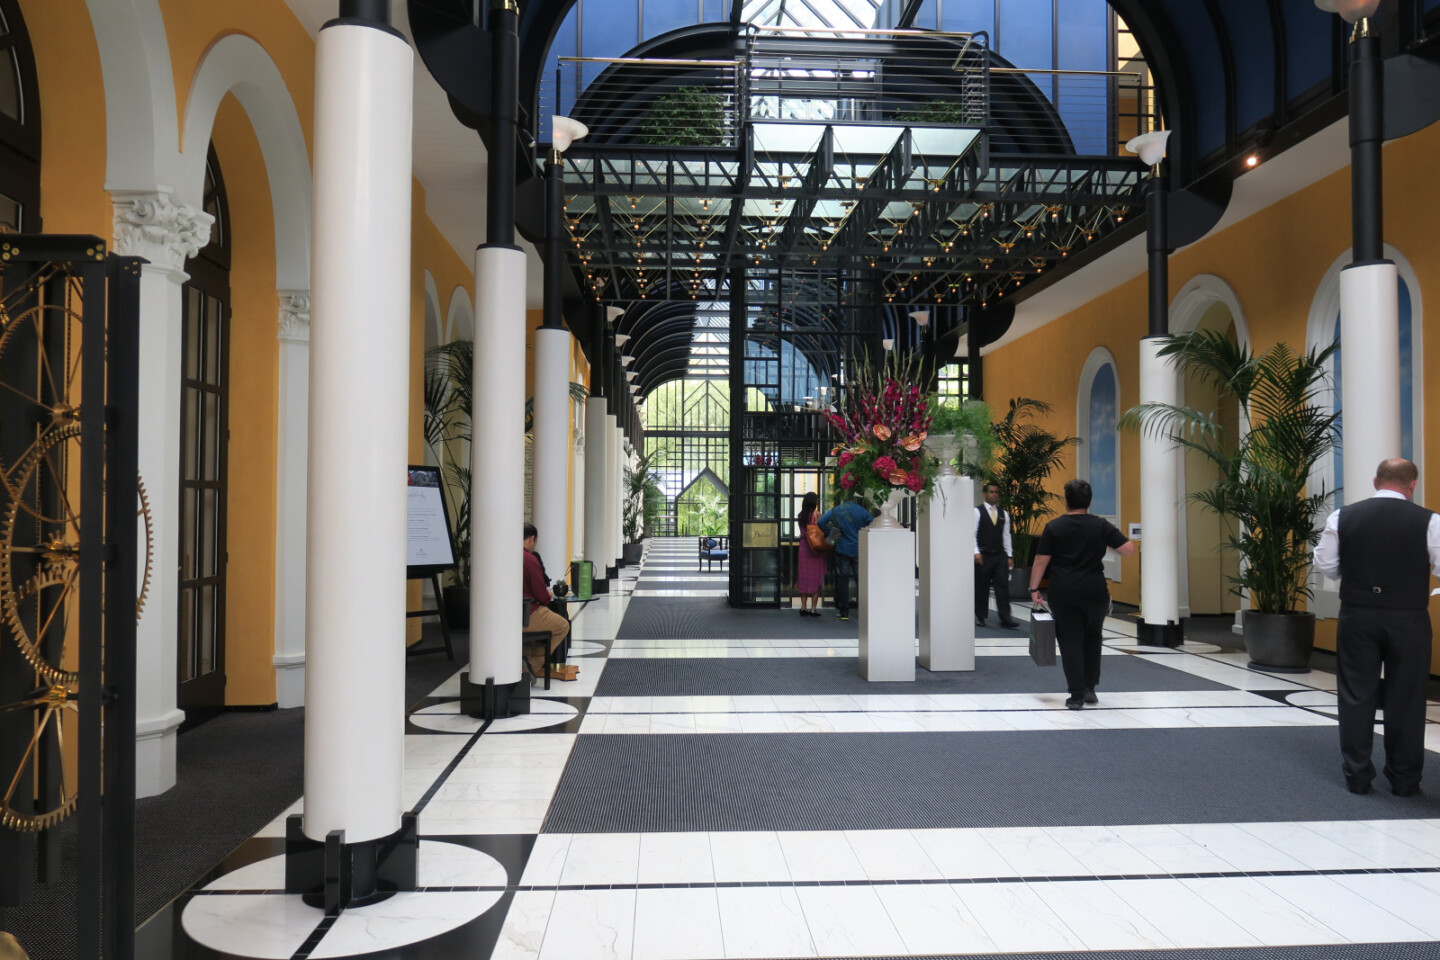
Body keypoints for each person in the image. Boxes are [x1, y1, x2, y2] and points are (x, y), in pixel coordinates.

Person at [1313, 458, 1440, 796]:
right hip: (1408, 617)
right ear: (1412, 484)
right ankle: (1404, 780)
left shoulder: (1343, 516)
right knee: (1408, 697)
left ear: (1375, 480)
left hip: (1358, 614)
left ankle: (1357, 777)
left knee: (1356, 694)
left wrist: (1353, 579)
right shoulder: (1430, 521)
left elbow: (1325, 562)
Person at [1028, 479, 1135, 709]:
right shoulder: (1100, 526)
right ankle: (1090, 688)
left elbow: (1040, 560)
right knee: (1093, 637)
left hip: (1064, 591)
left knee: (1070, 640)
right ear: (1090, 501)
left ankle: (1076, 695)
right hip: (1095, 591)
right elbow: (1128, 549)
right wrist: (1105, 545)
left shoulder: (1054, 527)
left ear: (1066, 501)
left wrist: (1034, 588)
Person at [523, 523, 574, 679]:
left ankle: (524, 661)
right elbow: (542, 594)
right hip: (527, 612)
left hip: (504, 614)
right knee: (562, 626)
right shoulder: (529, 559)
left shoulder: (504, 555)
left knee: (533, 637)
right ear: (532, 539)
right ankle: (531, 665)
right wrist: (548, 595)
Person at [816, 496, 874, 621]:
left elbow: (820, 522)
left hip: (842, 549)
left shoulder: (837, 510)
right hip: (859, 549)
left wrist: (832, 532)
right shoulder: (862, 511)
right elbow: (873, 523)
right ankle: (865, 611)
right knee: (862, 581)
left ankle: (843, 611)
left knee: (843, 581)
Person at [974, 482, 1019, 628]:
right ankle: (980, 616)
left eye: (996, 492)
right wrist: (976, 552)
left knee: (1003, 586)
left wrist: (1009, 555)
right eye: (991, 492)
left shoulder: (1003, 514)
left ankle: (1006, 618)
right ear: (984, 494)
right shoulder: (977, 512)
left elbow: (1007, 535)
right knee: (982, 587)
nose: (994, 495)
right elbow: (972, 534)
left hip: (1000, 555)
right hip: (983, 555)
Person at [795, 491, 827, 617]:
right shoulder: (817, 514)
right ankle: (813, 608)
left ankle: (803, 607)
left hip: (803, 547)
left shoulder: (800, 515)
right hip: (815, 548)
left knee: (804, 576)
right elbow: (825, 528)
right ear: (814, 503)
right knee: (816, 576)